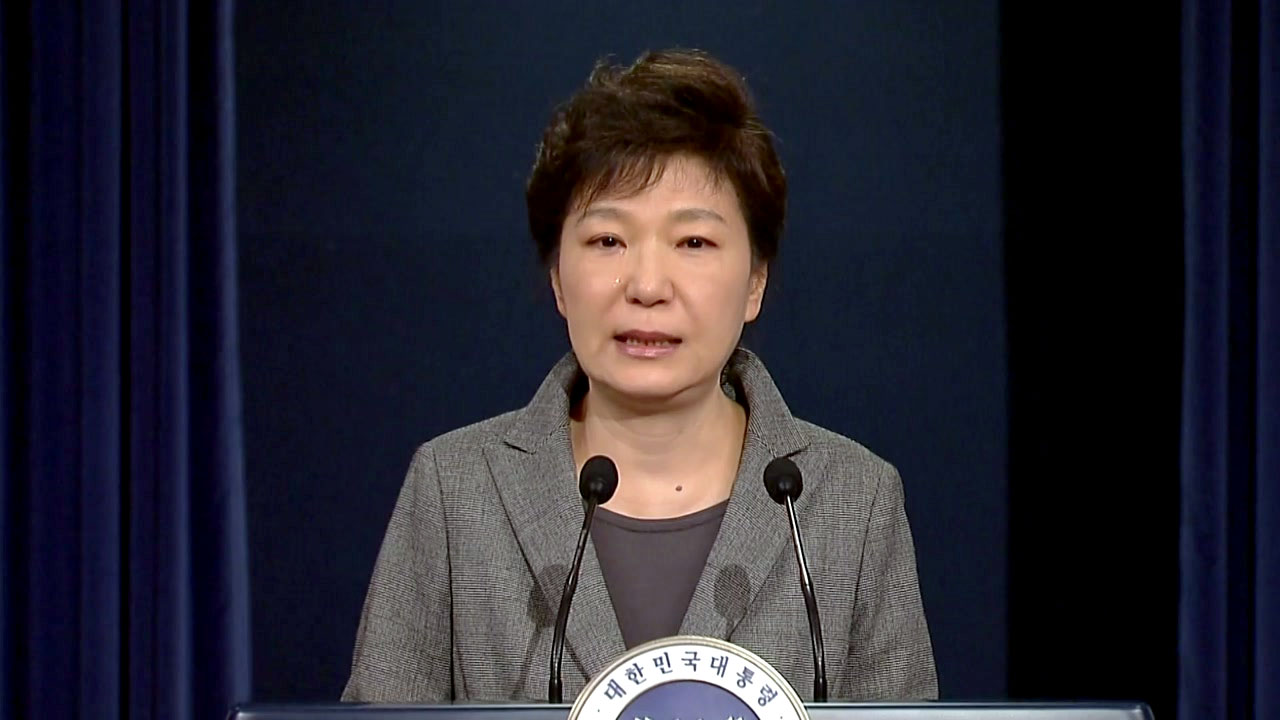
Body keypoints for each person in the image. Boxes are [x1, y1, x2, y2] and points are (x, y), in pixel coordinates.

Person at [342, 48, 937, 703]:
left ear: (755, 282)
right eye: (608, 241)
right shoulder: (455, 489)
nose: (648, 286)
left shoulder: (850, 499)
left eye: (693, 243)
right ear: (558, 278)